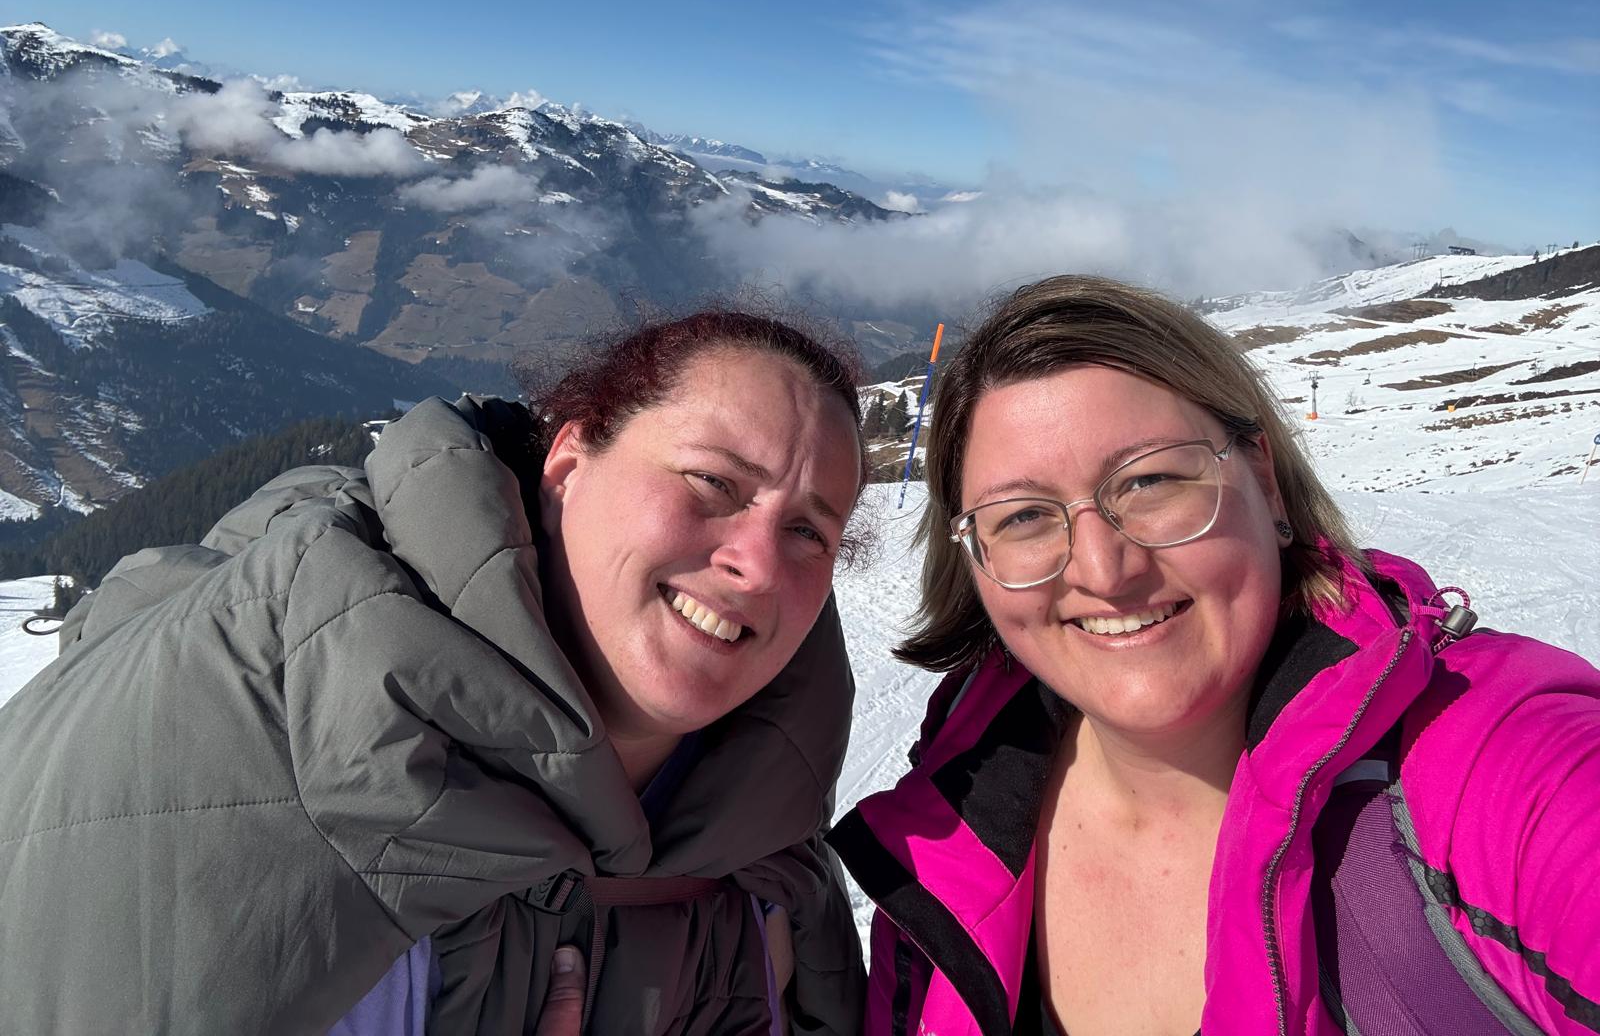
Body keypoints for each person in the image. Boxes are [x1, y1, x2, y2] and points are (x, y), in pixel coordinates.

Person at [0, 309, 870, 1034]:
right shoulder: (247, 744)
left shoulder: (770, 873)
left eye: (809, 530)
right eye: (713, 482)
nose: (759, 565)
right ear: (568, 466)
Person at [828, 275, 1600, 1036]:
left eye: (1150, 481)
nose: (1104, 572)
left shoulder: (1492, 772)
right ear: (974, 559)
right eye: (1024, 516)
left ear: (1264, 482)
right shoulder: (946, 820)